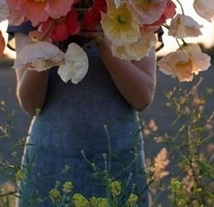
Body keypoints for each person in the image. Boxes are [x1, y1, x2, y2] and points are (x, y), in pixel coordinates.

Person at [8, 22, 158, 206]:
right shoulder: (28, 7)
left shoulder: (138, 2)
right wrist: (49, 41)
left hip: (118, 161)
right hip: (50, 163)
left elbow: (142, 98)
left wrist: (103, 41)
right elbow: (31, 105)